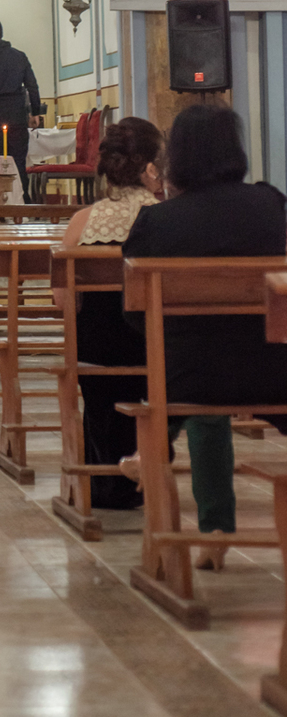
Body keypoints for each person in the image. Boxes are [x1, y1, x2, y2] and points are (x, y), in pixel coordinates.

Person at [125, 102, 287, 564]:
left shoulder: (158, 221)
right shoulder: (269, 204)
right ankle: (215, 526)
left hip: (188, 374)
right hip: (273, 368)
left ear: (177, 156)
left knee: (195, 395)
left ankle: (210, 530)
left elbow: (134, 310)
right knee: (212, 384)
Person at [55, 116, 163, 509]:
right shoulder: (166, 219)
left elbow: (63, 301)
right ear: (153, 165)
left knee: (100, 377)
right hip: (155, 352)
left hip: (96, 356)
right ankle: (147, 468)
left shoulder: (84, 222)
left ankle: (104, 479)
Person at [0, 18, 42, 197]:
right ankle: (24, 203)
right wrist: (35, 112)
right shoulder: (19, 56)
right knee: (19, 162)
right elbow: (32, 85)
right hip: (17, 116)